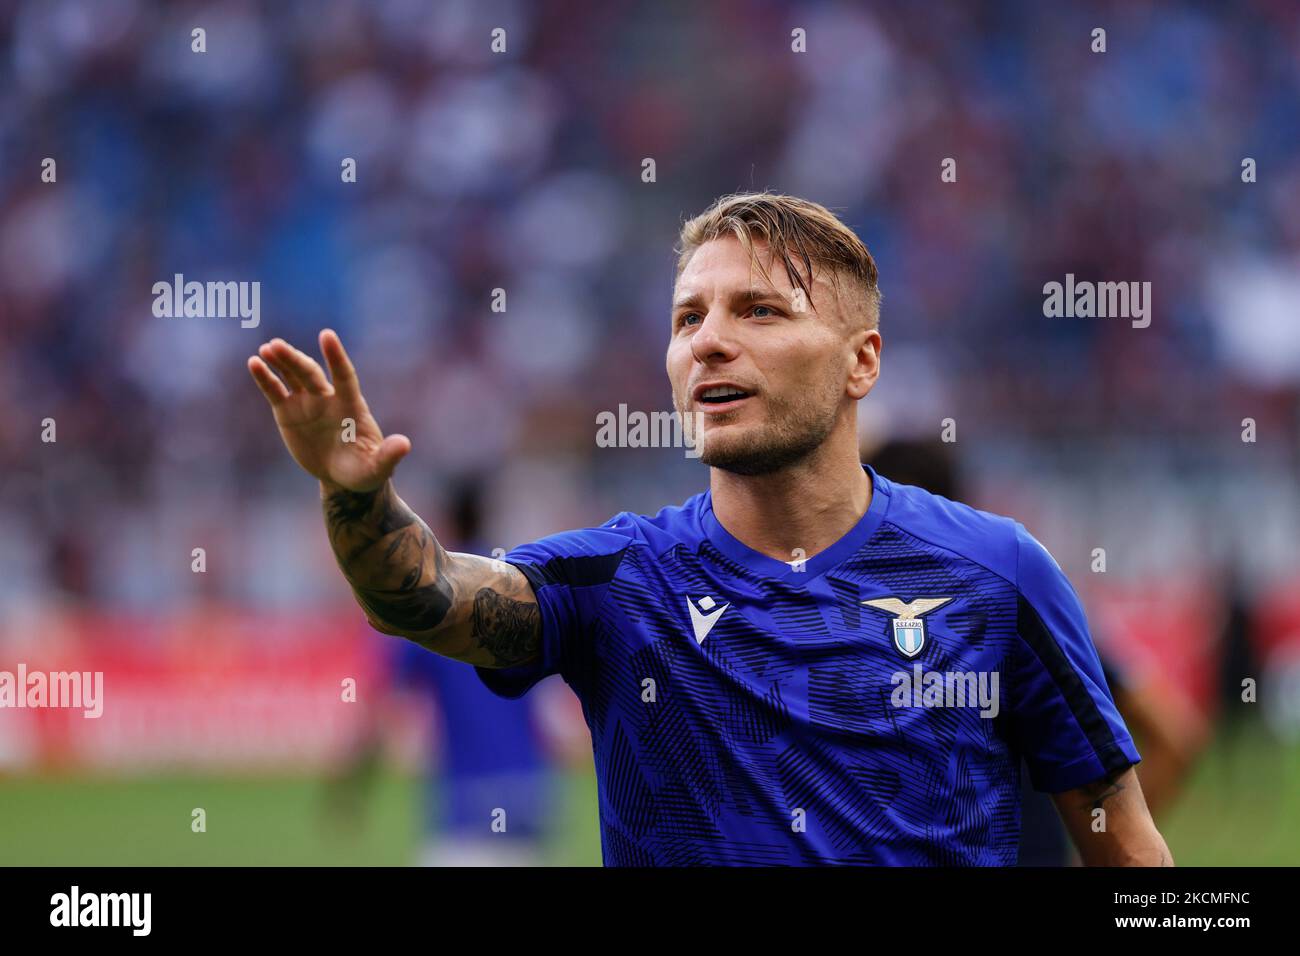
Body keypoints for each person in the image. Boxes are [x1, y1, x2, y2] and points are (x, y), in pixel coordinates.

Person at [248, 191, 1171, 866]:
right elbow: (424, 598)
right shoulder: (619, 582)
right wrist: (355, 498)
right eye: (688, 316)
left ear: (861, 364)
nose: (707, 341)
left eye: (759, 310)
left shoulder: (997, 573)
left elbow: (1129, 854)